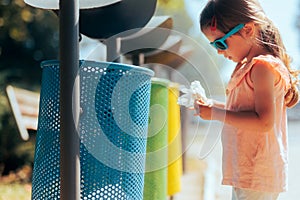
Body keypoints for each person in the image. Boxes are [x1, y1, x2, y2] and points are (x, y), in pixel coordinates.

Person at [194, 0, 300, 199]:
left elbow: (264, 121)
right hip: (247, 171)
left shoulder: (262, 68)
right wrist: (212, 106)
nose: (218, 51)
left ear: (248, 30)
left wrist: (216, 113)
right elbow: (242, 111)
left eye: (220, 42)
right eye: (213, 45)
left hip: (258, 172)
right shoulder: (247, 67)